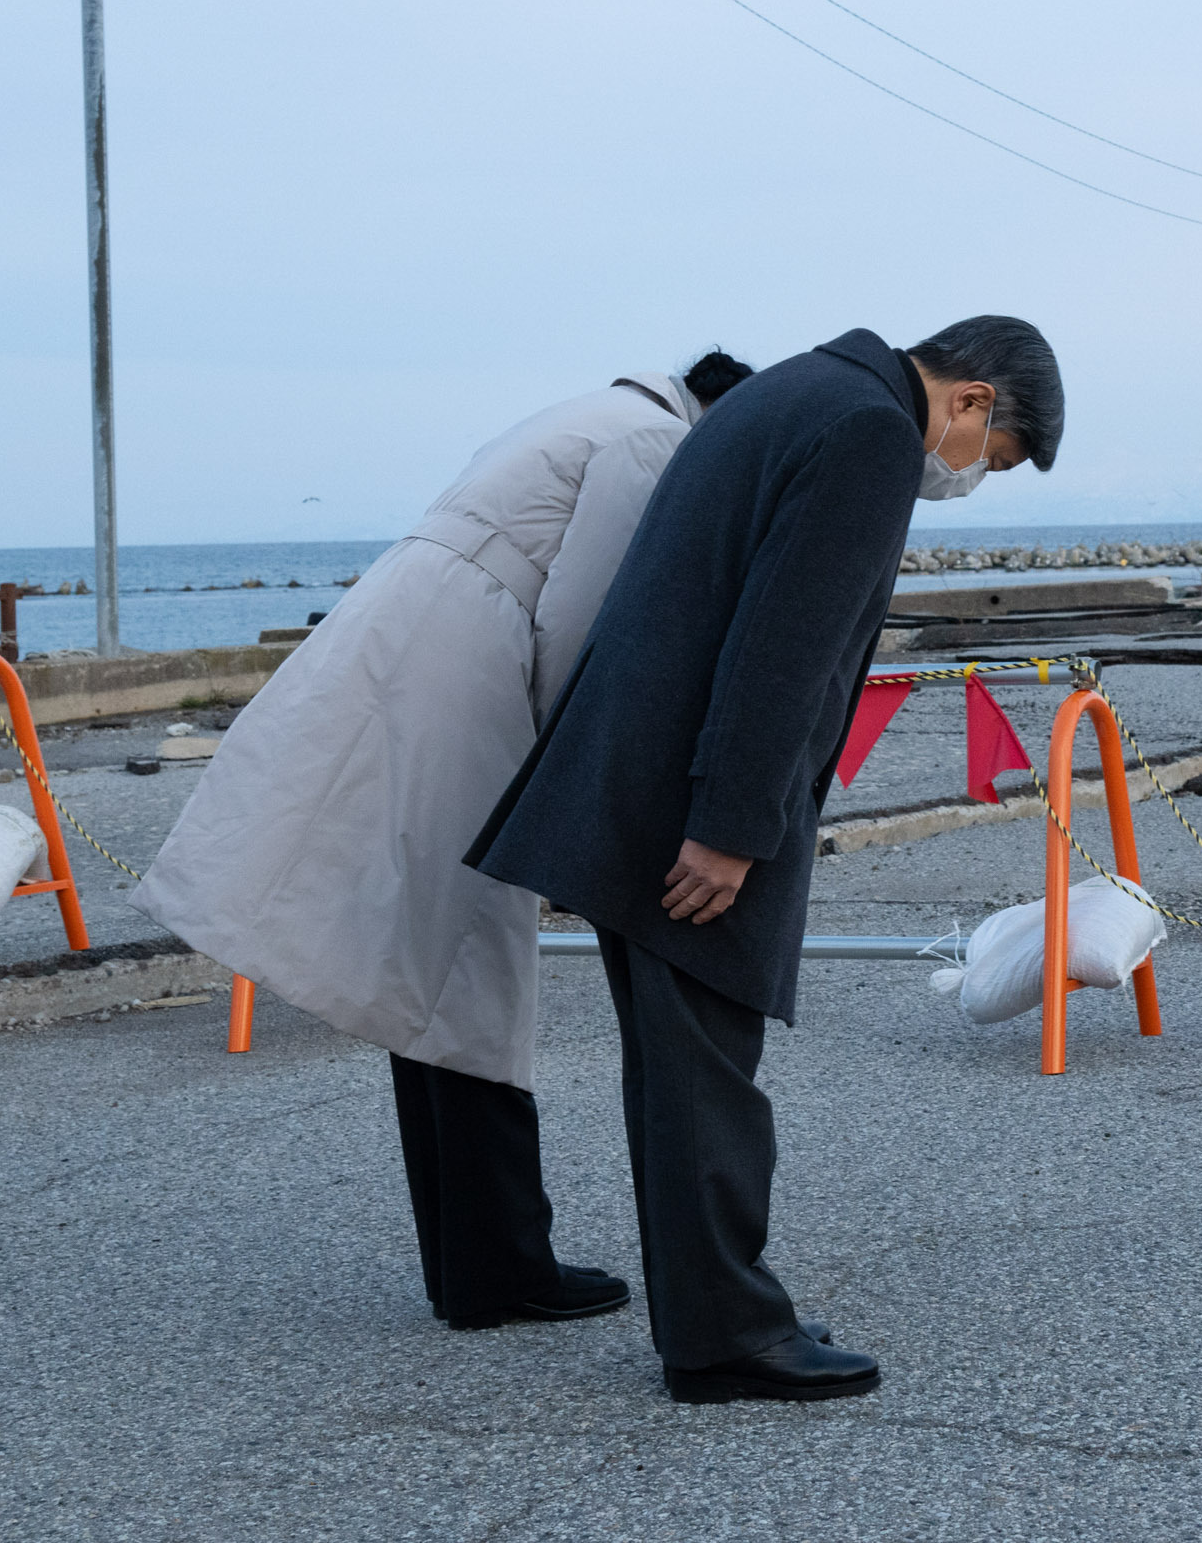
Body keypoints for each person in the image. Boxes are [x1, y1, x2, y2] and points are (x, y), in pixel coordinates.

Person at [469, 318, 1062, 1404]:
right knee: (707, 1069)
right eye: (996, 457)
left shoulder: (802, 389)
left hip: (637, 767)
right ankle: (725, 1334)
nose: (974, 476)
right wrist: (734, 824)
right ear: (972, 401)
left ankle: (713, 1308)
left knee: (675, 1065)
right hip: (688, 791)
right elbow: (785, 638)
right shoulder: (873, 432)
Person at [136, 350, 759, 1331]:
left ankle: (471, 1257)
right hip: (468, 665)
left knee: (432, 962)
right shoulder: (652, 442)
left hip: (412, 638)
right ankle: (501, 1265)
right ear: (725, 417)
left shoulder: (590, 410)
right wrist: (581, 787)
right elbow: (586, 619)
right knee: (472, 964)